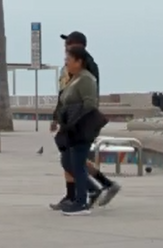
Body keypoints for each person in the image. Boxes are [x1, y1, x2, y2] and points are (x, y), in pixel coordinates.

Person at [50, 31, 120, 209]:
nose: (66, 47)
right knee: (71, 160)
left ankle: (84, 195)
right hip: (69, 121)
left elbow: (89, 99)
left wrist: (74, 118)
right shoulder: (69, 67)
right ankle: (85, 191)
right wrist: (57, 116)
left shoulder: (87, 68)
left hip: (79, 123)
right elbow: (63, 94)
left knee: (75, 161)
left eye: (70, 44)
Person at [53, 44, 106, 216]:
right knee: (67, 162)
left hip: (81, 128)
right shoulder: (73, 78)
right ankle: (92, 189)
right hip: (70, 128)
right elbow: (63, 100)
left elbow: (90, 103)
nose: (66, 63)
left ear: (79, 61)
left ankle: (81, 203)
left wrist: (74, 118)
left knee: (77, 164)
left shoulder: (86, 79)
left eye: (69, 60)